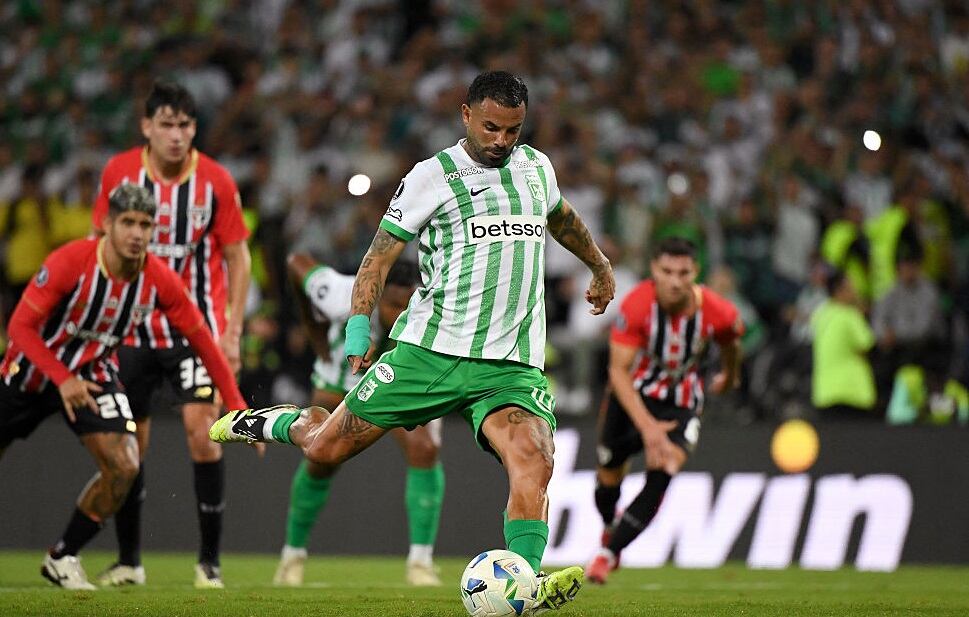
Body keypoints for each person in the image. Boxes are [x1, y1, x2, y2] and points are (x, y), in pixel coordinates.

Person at [211, 71, 615, 613]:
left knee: (534, 459)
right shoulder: (432, 176)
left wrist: (599, 264)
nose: (501, 140)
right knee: (327, 447)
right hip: (430, 353)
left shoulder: (537, 168)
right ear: (465, 114)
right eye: (492, 127)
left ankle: (525, 582)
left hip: (511, 362)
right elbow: (378, 257)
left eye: (512, 130)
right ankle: (272, 420)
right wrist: (358, 326)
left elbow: (561, 217)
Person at [0, 184, 247, 590]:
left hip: (93, 374)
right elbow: (19, 327)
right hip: (31, 372)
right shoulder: (71, 260)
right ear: (107, 225)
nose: (137, 233)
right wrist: (61, 378)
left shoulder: (157, 277)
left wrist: (236, 405)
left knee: (126, 465)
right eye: (128, 223)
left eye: (145, 225)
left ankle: (62, 557)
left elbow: (203, 340)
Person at [91, 80, 253, 588]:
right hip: (132, 332)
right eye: (166, 124)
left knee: (203, 434)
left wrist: (232, 329)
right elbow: (100, 244)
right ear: (147, 127)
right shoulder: (119, 174)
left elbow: (237, 255)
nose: (176, 135)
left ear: (194, 129)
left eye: (185, 125)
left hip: (195, 331)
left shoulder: (216, 181)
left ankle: (209, 563)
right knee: (129, 448)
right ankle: (129, 561)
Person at [274, 252, 445, 587]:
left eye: (406, 305)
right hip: (339, 379)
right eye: (394, 305)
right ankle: (292, 556)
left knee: (425, 448)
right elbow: (295, 262)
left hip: (397, 379)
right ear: (378, 294)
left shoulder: (428, 305)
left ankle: (421, 563)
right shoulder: (342, 294)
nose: (400, 315)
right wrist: (313, 328)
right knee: (321, 461)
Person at [585, 237, 743, 584]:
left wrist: (729, 378)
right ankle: (611, 524)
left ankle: (607, 554)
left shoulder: (718, 311)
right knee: (607, 478)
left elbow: (731, 342)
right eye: (667, 271)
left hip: (682, 401)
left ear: (695, 272)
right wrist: (648, 427)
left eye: (683, 272)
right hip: (633, 397)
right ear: (654, 270)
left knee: (666, 464)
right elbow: (617, 372)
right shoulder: (637, 305)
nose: (675, 280)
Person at [810, 269, 877, 421]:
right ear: (840, 291)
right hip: (852, 392)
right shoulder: (849, 316)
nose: (855, 292)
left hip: (824, 392)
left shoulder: (821, 316)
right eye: (851, 287)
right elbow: (867, 346)